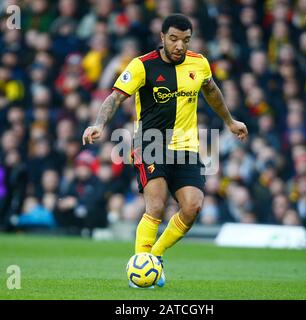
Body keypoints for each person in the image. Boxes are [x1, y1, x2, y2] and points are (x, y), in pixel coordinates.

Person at [82, 14, 248, 288]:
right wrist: (99, 124)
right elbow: (115, 98)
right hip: (150, 143)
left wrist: (229, 121)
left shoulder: (200, 63)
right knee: (156, 205)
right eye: (173, 39)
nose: (179, 45)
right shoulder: (141, 66)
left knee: (193, 207)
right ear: (162, 38)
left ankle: (153, 259)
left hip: (186, 147)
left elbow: (212, 90)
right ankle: (140, 267)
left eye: (185, 40)